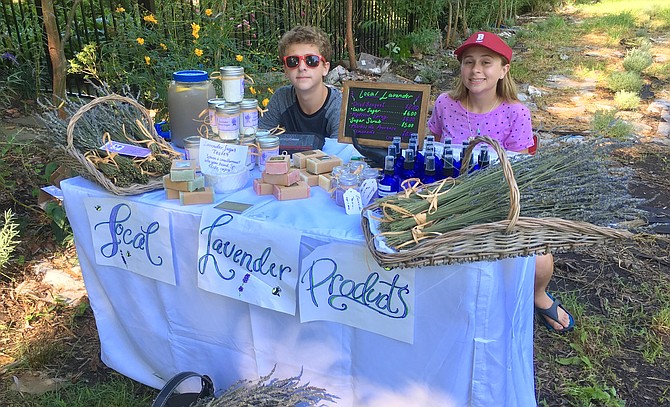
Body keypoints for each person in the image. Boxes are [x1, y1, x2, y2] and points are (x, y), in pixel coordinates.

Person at [428, 31, 574, 333]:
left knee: (540, 258)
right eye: (468, 62)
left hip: (499, 198)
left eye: (486, 62)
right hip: (450, 196)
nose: (476, 70)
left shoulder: (516, 112)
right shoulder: (445, 103)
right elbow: (435, 147)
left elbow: (520, 171)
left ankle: (538, 294)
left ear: (504, 69)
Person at [258, 26, 342, 149]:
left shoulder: (339, 107)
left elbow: (340, 157)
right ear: (285, 70)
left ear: (325, 68)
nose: (302, 67)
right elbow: (260, 140)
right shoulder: (281, 98)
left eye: (311, 60)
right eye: (293, 61)